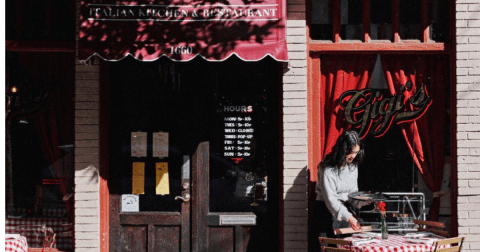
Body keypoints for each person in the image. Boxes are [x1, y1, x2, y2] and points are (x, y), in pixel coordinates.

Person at [314, 130, 365, 240]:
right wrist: (349, 217)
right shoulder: (327, 168)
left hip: (345, 211)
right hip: (326, 211)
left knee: (345, 246)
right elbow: (330, 199)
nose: (353, 156)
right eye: (350, 152)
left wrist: (367, 202)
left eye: (356, 152)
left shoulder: (353, 167)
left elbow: (352, 194)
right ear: (342, 149)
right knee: (328, 247)